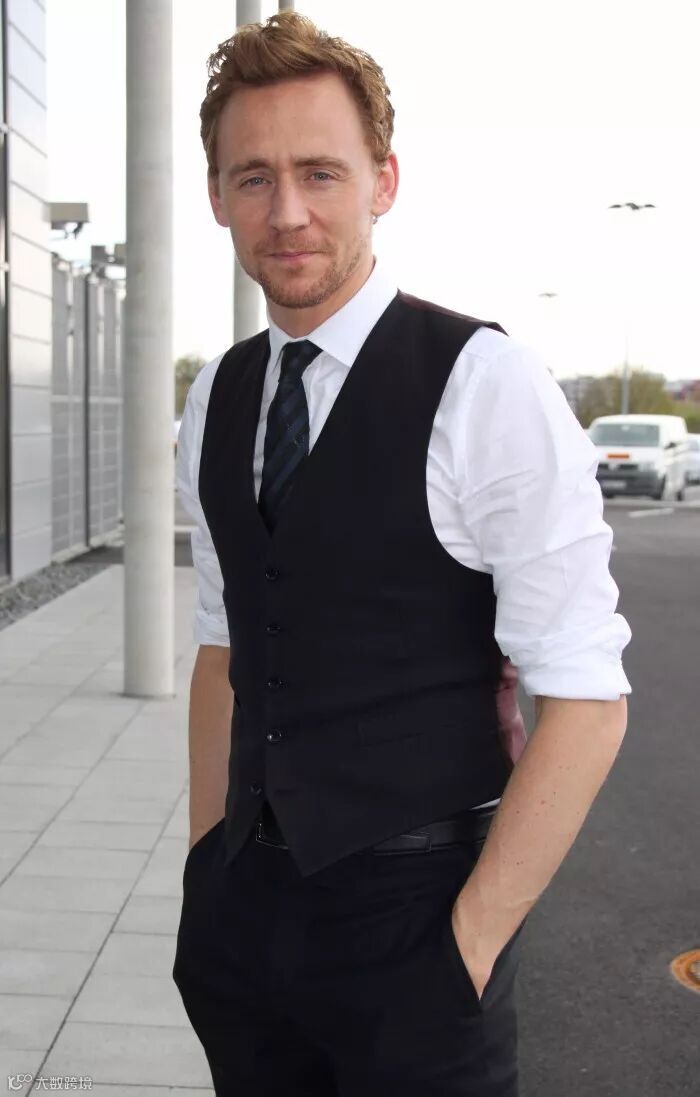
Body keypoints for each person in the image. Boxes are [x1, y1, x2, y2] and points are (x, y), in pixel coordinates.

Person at [172, 11, 632, 1096]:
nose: (287, 211)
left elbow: (586, 695)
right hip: (246, 923)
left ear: (383, 181)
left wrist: (467, 945)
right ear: (217, 196)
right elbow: (223, 643)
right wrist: (206, 872)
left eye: (320, 173)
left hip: (419, 925)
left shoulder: (483, 382)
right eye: (253, 177)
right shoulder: (219, 394)